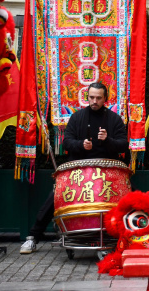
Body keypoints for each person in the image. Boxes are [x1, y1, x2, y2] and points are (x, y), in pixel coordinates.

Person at [20, 82, 129, 254]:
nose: (94, 101)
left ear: (105, 99)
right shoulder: (77, 117)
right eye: (91, 97)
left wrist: (108, 140)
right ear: (87, 97)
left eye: (98, 98)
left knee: (131, 197)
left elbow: (124, 145)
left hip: (107, 173)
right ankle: (33, 237)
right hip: (79, 171)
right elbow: (67, 142)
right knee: (54, 198)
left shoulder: (114, 119)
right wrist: (81, 145)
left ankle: (134, 236)